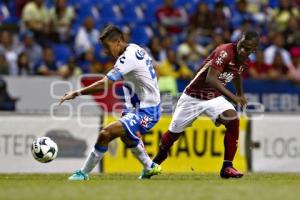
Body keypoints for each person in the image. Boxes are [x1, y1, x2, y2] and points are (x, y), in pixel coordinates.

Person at [152, 30, 260, 179]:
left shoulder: (244, 60)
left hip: (213, 97)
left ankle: (227, 167)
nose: (243, 50)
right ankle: (157, 159)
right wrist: (234, 97)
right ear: (239, 41)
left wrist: (240, 93)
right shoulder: (224, 52)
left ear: (254, 50)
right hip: (192, 96)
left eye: (248, 49)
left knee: (233, 119)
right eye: (241, 45)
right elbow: (211, 79)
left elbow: (237, 74)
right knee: (172, 135)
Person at [59, 25, 162, 180]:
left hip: (148, 110)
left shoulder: (127, 58)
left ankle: (83, 173)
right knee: (126, 136)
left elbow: (104, 84)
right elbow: (155, 67)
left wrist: (76, 93)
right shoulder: (135, 48)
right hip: (137, 106)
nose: (106, 52)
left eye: (107, 47)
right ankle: (149, 167)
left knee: (105, 133)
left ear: (118, 42)